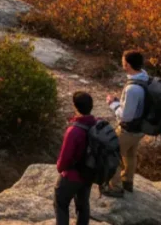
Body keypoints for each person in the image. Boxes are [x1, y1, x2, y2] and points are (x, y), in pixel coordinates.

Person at [102, 50, 149, 197]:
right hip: (141, 128)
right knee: (130, 154)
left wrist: (113, 104)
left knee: (111, 153)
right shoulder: (145, 77)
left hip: (129, 129)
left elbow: (126, 116)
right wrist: (121, 102)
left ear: (127, 65)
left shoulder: (132, 88)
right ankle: (128, 181)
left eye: (123, 62)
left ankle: (115, 187)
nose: (122, 64)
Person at [55, 92, 96, 225]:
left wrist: (59, 168)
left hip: (72, 176)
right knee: (83, 205)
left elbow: (64, 159)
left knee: (61, 202)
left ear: (75, 106)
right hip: (89, 173)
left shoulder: (74, 131)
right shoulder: (96, 125)